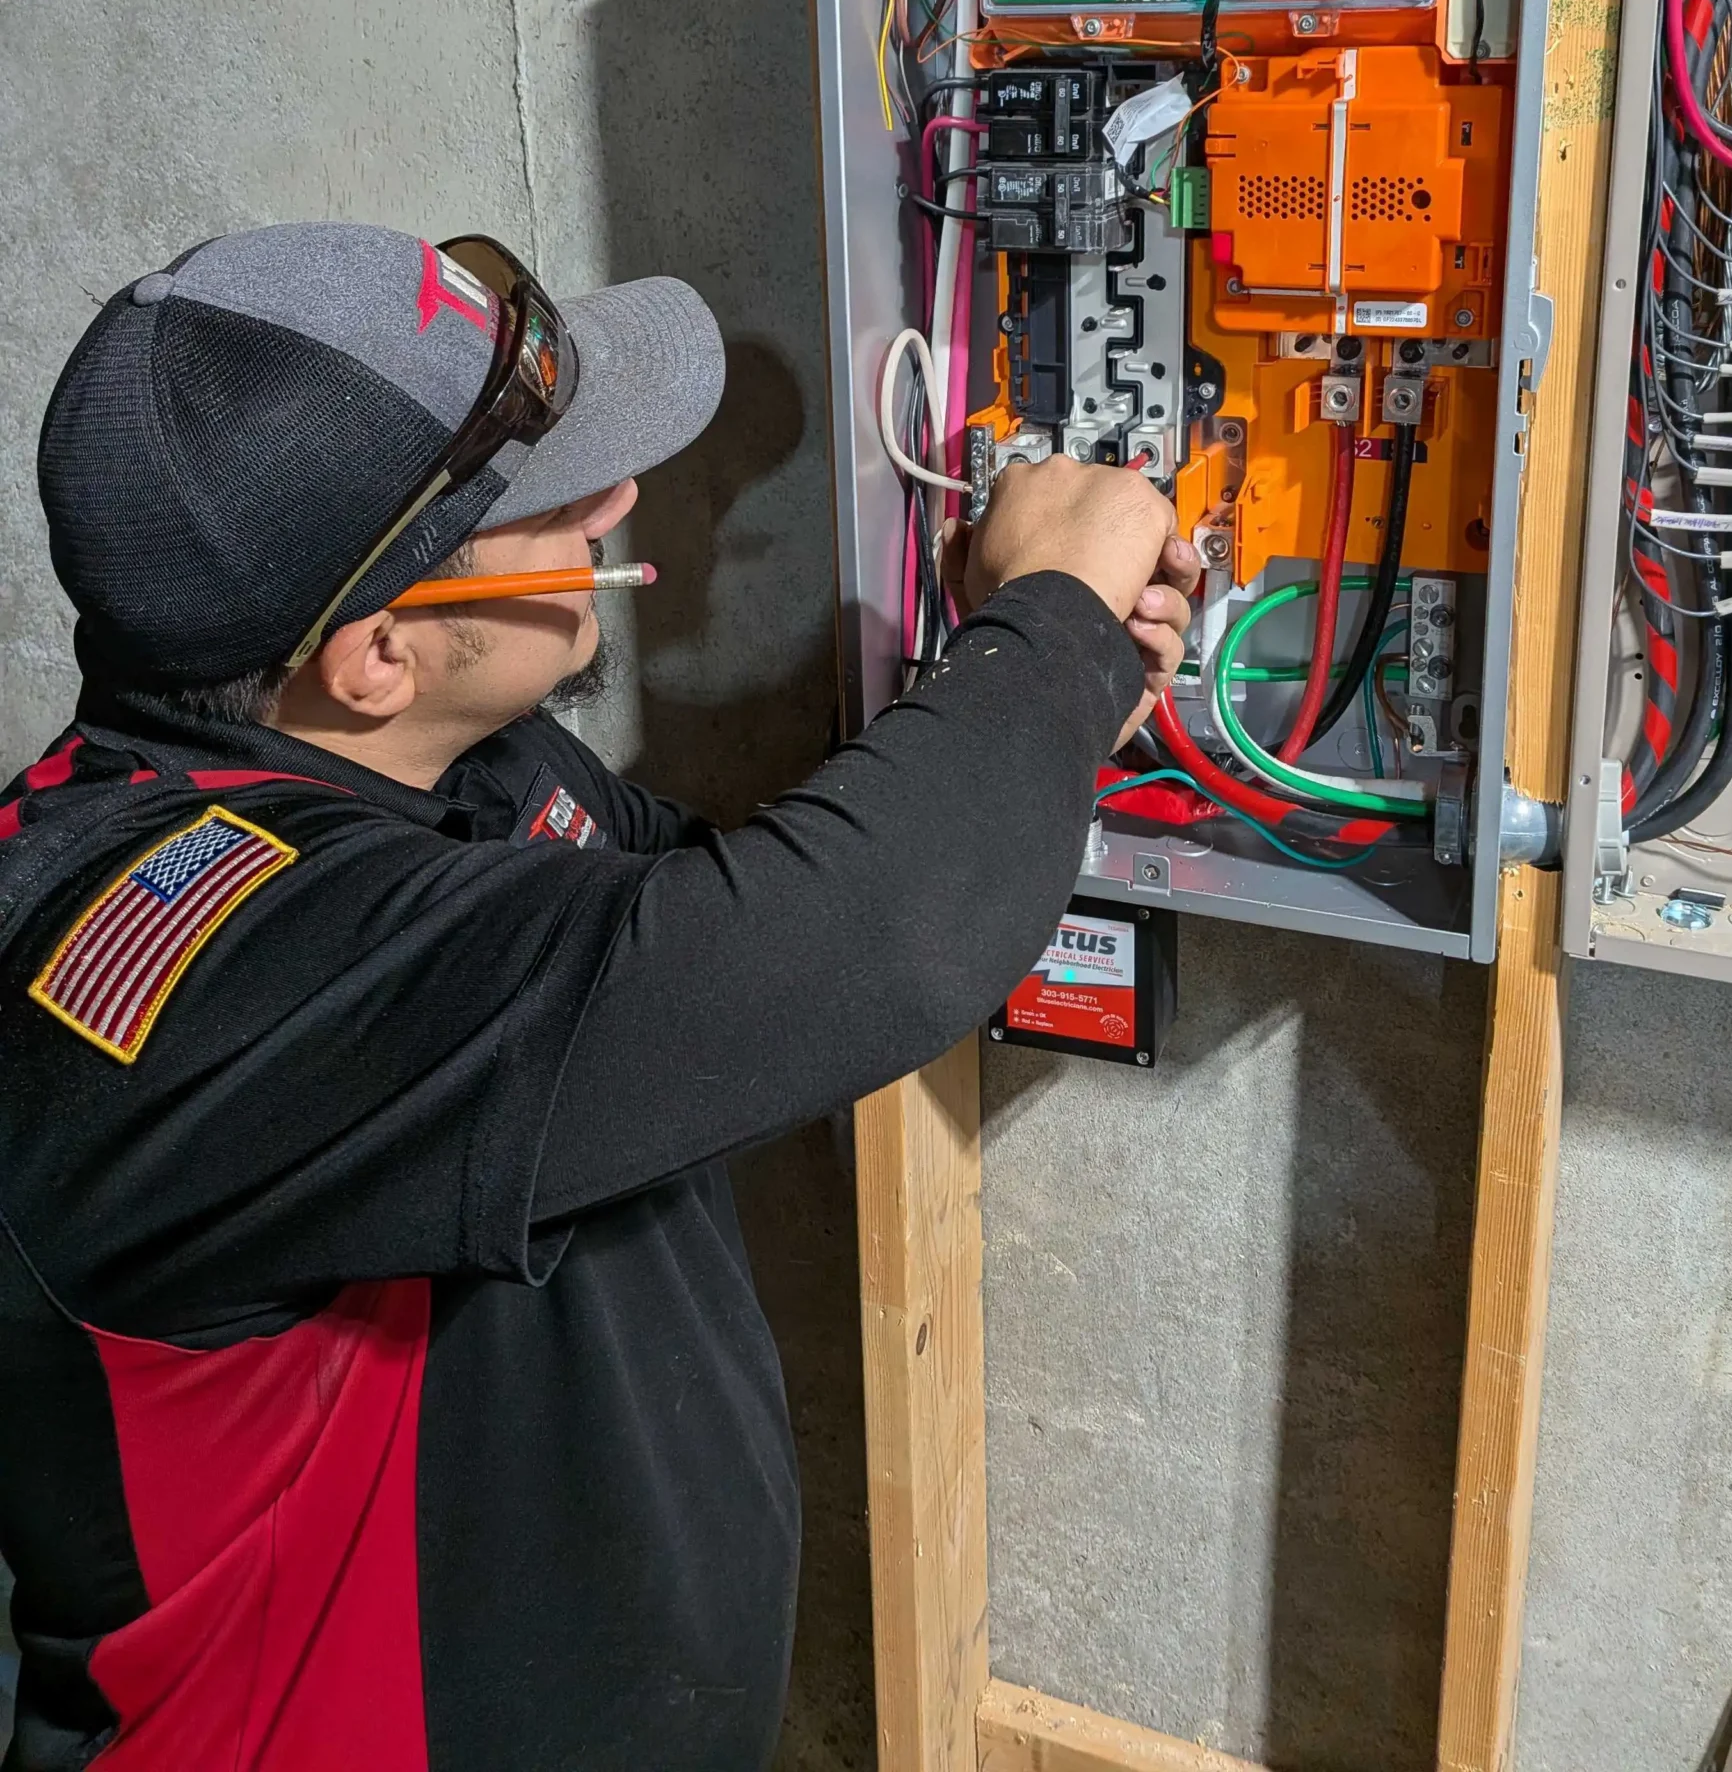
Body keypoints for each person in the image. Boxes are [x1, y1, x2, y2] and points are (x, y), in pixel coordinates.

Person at [0, 221, 1195, 1772]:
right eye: (553, 506)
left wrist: (1022, 696)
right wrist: (1055, 629)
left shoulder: (437, 770)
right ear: (376, 652)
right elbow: (863, 947)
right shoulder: (180, 983)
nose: (620, 504)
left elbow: (728, 956)